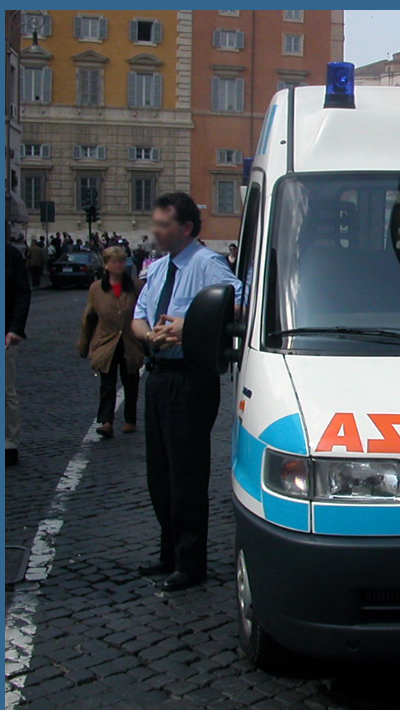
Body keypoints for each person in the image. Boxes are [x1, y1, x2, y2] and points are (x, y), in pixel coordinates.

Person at [131, 192, 242, 592]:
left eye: (163, 224)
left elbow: (239, 302)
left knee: (186, 474)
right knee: (159, 474)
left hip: (190, 378)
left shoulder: (206, 264)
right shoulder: (158, 269)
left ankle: (190, 561)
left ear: (186, 228)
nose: (155, 231)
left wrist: (185, 325)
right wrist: (151, 337)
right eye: (155, 223)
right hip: (159, 374)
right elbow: (138, 317)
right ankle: (168, 553)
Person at [77, 247, 144, 439]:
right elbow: (89, 317)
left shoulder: (136, 286)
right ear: (106, 265)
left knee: (130, 381)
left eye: (121, 261)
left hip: (130, 342)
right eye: (114, 262)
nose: (118, 265)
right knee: (107, 383)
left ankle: (130, 420)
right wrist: (84, 344)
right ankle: (106, 421)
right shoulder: (96, 289)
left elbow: (143, 313)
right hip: (107, 342)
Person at [6, 236, 31, 466]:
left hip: (5, 333)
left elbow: (23, 293)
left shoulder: (11, 255)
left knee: (5, 391)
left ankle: (9, 443)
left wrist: (15, 328)